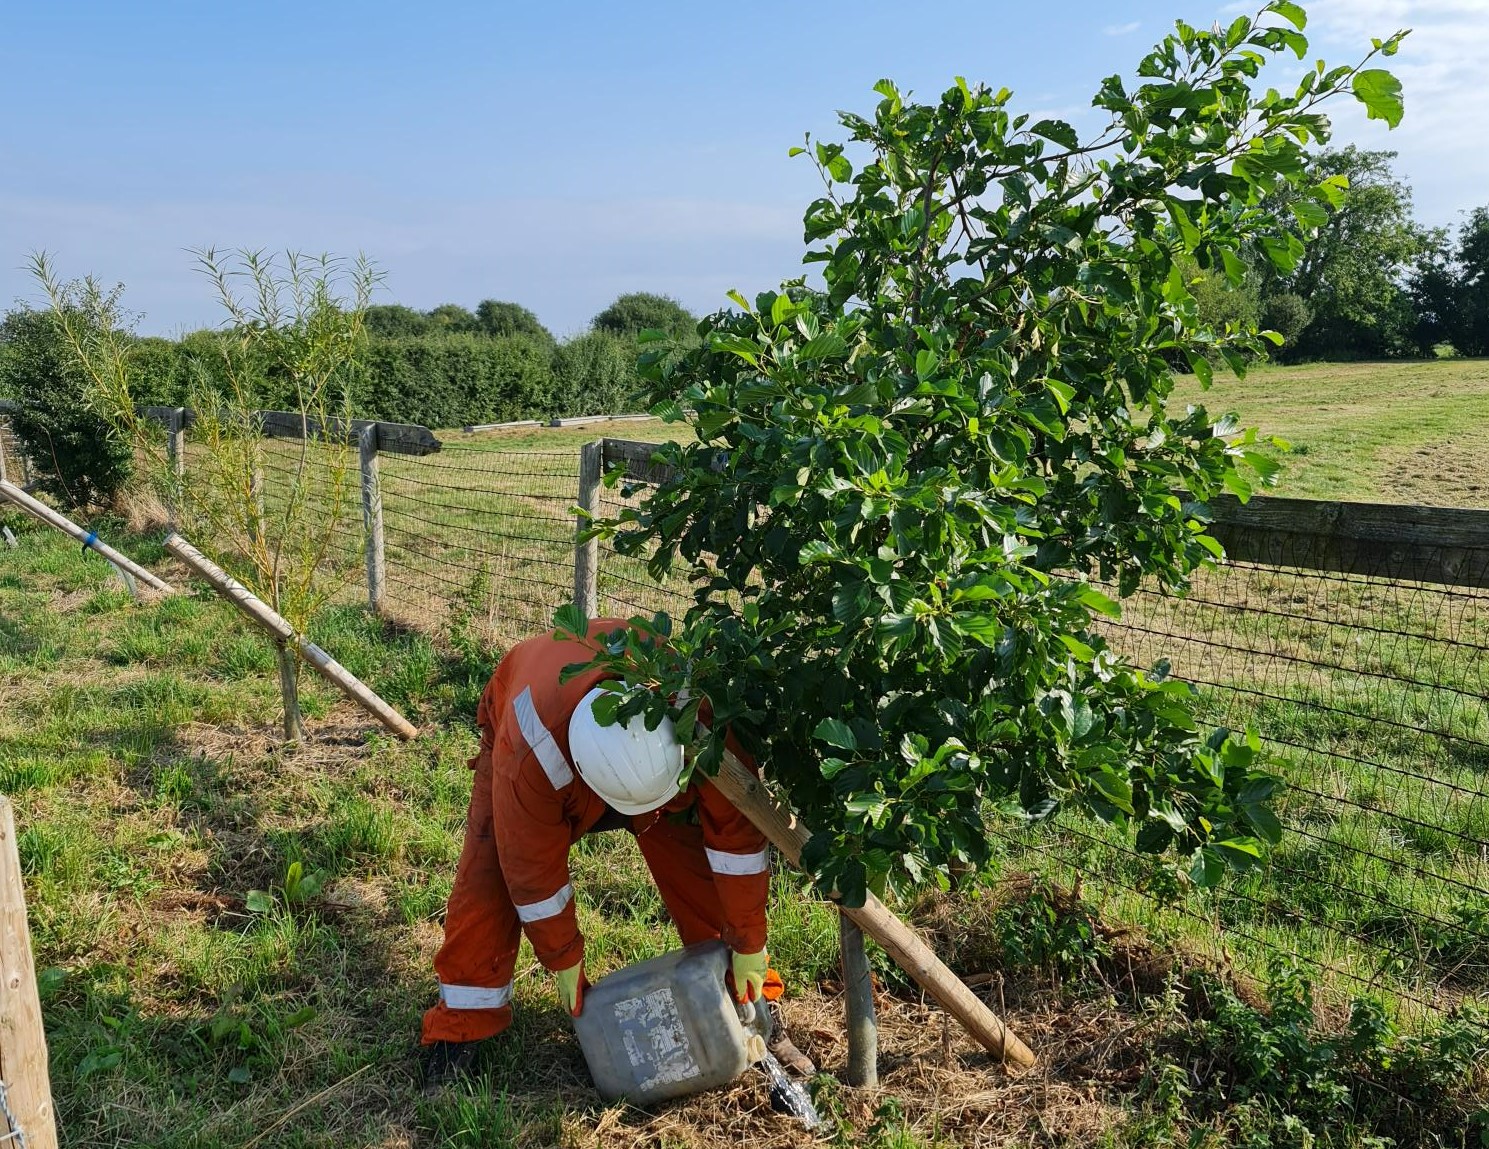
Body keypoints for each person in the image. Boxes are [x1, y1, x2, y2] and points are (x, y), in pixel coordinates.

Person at [420, 616, 815, 1087]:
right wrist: (563, 956)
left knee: (697, 864)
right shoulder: (529, 754)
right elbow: (531, 874)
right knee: (489, 876)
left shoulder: (696, 713)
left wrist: (749, 941)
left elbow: (737, 844)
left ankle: (751, 1003)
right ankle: (461, 1028)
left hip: (661, 771)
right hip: (525, 715)